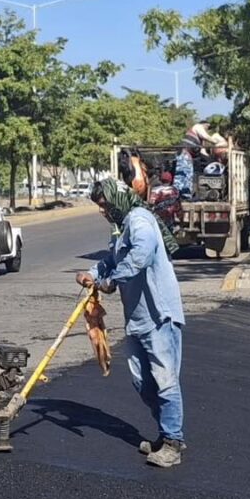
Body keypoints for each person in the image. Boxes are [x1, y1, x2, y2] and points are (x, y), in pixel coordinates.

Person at [76, 179, 187, 468]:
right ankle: (165, 434)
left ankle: (173, 443)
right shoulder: (121, 228)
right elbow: (111, 261)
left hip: (158, 315)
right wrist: (91, 273)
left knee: (165, 381)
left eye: (103, 205)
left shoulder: (140, 221)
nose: (102, 211)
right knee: (143, 383)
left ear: (116, 199)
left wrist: (109, 282)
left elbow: (141, 255)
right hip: (137, 320)